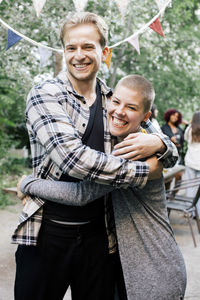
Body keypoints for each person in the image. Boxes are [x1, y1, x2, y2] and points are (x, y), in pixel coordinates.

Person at [12, 12, 179, 300]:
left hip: (99, 238)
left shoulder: (115, 101)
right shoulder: (46, 94)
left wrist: (160, 146)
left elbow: (167, 148)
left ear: (104, 52)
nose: (79, 55)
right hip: (45, 234)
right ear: (63, 51)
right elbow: (74, 161)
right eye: (71, 47)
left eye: (88, 47)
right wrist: (144, 172)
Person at [184, 111, 200, 217]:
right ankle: (198, 213)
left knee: (190, 188)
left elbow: (186, 139)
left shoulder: (189, 129)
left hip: (190, 162)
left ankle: (190, 211)